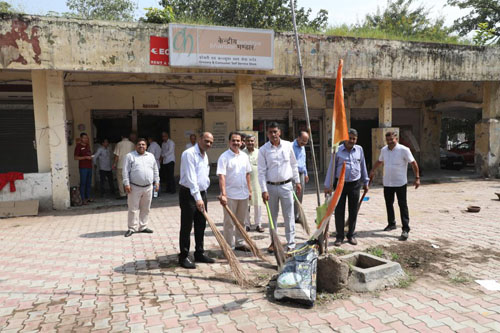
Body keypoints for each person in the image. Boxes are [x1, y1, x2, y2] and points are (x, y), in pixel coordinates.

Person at [258, 122, 301, 252]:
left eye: (275, 131)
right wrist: (264, 190)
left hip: (287, 186)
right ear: (267, 134)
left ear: (280, 132)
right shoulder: (263, 150)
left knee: (289, 216)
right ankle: (274, 242)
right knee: (273, 217)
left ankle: (291, 243)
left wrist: (297, 181)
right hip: (271, 188)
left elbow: (294, 165)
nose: (273, 134)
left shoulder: (288, 146)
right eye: (270, 132)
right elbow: (261, 172)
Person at [370, 131, 420, 241]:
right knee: (389, 204)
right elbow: (379, 161)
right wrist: (372, 170)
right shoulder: (384, 150)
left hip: (400, 183)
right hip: (388, 183)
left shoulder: (404, 150)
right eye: (388, 140)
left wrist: (417, 178)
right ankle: (391, 223)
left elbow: (413, 163)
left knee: (402, 205)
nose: (390, 142)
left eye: (391, 139)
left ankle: (405, 229)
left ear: (396, 138)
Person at [324, 129, 369, 246]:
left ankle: (351, 235)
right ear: (345, 138)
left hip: (355, 184)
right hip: (340, 185)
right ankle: (339, 236)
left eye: (354, 138)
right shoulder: (337, 150)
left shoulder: (359, 149)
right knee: (339, 211)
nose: (351, 141)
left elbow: (363, 165)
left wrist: (366, 181)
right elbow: (331, 168)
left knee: (353, 211)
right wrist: (328, 185)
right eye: (350, 138)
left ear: (356, 139)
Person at [178, 132, 215, 269]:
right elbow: (191, 177)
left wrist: (203, 192)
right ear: (199, 139)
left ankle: (199, 253)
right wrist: (197, 197)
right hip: (189, 194)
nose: (208, 144)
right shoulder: (189, 154)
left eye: (211, 142)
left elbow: (203, 175)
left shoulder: (204, 155)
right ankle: (183, 256)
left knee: (201, 224)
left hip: (201, 194)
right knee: (187, 226)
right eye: (206, 141)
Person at [217, 132, 252, 252]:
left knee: (241, 221)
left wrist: (250, 190)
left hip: (243, 194)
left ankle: (239, 242)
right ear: (229, 142)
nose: (236, 143)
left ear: (241, 142)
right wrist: (224, 194)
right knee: (229, 222)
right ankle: (228, 245)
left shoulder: (244, 156)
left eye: (238, 141)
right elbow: (222, 176)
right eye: (234, 140)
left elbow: (247, 174)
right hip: (230, 195)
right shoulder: (224, 157)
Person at [123, 138, 159, 237]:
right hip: (134, 187)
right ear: (136, 146)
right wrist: (126, 184)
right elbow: (125, 171)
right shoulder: (130, 156)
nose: (141, 146)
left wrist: (157, 182)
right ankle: (132, 228)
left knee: (146, 208)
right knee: (133, 208)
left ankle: (143, 226)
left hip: (148, 187)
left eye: (143, 144)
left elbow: (155, 169)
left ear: (146, 146)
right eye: (139, 144)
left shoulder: (151, 156)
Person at [243, 134, 264, 233]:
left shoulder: (260, 153)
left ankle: (258, 224)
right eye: (248, 141)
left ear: (255, 142)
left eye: (252, 141)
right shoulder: (242, 153)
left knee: (258, 204)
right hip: (245, 182)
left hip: (257, 182)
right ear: (245, 142)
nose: (250, 143)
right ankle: (246, 224)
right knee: (245, 204)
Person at [292, 131, 310, 222]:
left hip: (302, 173)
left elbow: (304, 161)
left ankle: (297, 216)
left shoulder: (303, 147)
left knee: (300, 195)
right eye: (303, 141)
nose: (304, 143)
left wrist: (306, 173)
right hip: (293, 174)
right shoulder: (291, 146)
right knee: (292, 196)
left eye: (306, 142)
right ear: (298, 138)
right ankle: (291, 217)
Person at [113, 134, 135, 199]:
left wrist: (114, 164)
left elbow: (117, 156)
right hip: (130, 165)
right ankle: (129, 192)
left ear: (122, 137)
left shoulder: (119, 144)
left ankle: (122, 194)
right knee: (129, 179)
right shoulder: (132, 144)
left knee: (120, 180)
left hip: (120, 165)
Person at [74, 133, 93, 205]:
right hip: (83, 167)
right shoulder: (78, 146)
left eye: (87, 138)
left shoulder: (88, 145)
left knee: (88, 183)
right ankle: (82, 199)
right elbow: (75, 157)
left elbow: (89, 154)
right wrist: (85, 157)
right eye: (84, 138)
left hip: (89, 167)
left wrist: (91, 157)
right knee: (83, 183)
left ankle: (88, 197)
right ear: (81, 138)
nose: (86, 139)